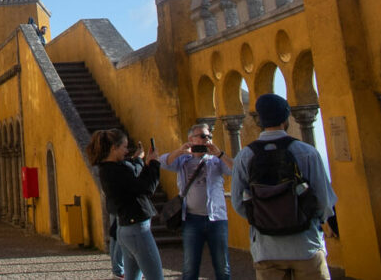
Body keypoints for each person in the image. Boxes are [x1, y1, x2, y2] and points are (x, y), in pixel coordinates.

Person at [231, 94, 337, 280]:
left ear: (259, 120)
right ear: (286, 118)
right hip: (306, 244)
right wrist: (312, 221)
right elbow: (324, 200)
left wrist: (263, 221)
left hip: (266, 248)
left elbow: (238, 202)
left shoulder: (244, 156)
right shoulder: (307, 152)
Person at [86, 128, 163, 280]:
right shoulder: (115, 171)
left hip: (127, 228)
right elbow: (146, 187)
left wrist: (143, 162)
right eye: (124, 147)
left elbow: (134, 178)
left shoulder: (109, 169)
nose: (126, 151)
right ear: (114, 148)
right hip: (136, 229)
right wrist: (154, 164)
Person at [160, 123, 233, 280]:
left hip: (216, 219)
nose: (206, 140)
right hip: (192, 219)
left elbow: (235, 170)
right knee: (190, 267)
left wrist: (220, 154)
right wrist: (180, 150)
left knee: (222, 266)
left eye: (209, 137)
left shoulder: (216, 160)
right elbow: (163, 162)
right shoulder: (183, 160)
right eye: (202, 136)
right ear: (191, 139)